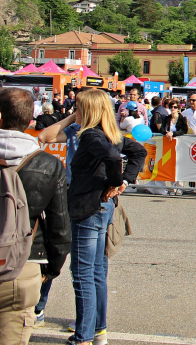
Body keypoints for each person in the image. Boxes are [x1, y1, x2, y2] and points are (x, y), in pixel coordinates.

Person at [67, 89, 146, 345]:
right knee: (97, 271)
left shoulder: (91, 135)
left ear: (88, 110)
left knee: (83, 274)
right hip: (101, 207)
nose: (74, 113)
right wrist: (123, 180)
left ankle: (84, 336)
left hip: (89, 207)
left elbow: (117, 157)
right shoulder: (110, 134)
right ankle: (98, 330)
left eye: (78, 108)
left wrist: (118, 180)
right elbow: (137, 152)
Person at [0, 88, 71, 344]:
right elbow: (59, 225)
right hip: (24, 261)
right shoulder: (49, 164)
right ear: (31, 120)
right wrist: (51, 269)